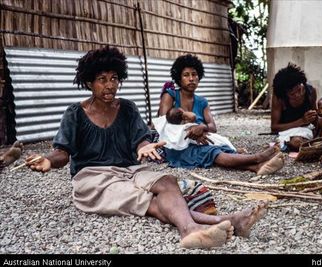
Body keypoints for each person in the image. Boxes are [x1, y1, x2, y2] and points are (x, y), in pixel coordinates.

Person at [24, 46, 269, 249]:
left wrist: (144, 146)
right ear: (89, 82)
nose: (110, 85)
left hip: (129, 170)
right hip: (93, 179)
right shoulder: (75, 113)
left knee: (167, 181)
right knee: (147, 200)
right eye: (102, 80)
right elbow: (62, 153)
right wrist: (48, 160)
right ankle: (201, 227)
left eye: (114, 79)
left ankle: (211, 226)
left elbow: (141, 139)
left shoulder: (128, 108)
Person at [158, 54, 285, 175]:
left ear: (199, 77)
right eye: (186, 75)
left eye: (194, 74)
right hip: (177, 147)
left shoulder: (202, 102)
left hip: (201, 142)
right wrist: (189, 131)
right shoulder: (171, 95)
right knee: (213, 152)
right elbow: (162, 125)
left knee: (218, 151)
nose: (191, 78)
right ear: (179, 78)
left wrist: (201, 127)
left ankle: (255, 167)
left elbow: (212, 127)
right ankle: (257, 158)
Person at [271, 63, 318, 151]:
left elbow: (315, 120)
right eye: (292, 94)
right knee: (296, 142)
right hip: (287, 130)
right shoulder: (279, 97)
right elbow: (274, 127)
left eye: (299, 89)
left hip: (305, 129)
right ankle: (286, 143)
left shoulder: (311, 92)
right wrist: (301, 121)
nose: (298, 95)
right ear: (284, 93)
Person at [153, 107, 237, 152]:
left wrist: (202, 126)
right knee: (219, 141)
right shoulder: (185, 125)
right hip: (204, 139)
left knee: (218, 142)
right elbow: (193, 116)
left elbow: (213, 128)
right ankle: (233, 150)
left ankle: (233, 150)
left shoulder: (173, 126)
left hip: (203, 136)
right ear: (184, 117)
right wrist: (183, 112)